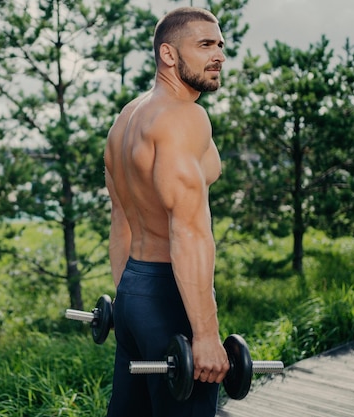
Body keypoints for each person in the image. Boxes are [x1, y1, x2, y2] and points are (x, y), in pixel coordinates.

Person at [104, 7, 229, 417]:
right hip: (169, 293)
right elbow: (189, 230)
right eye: (205, 45)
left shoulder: (126, 120)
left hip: (134, 290)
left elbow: (121, 218)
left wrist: (128, 300)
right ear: (169, 55)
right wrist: (206, 335)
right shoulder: (182, 118)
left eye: (221, 45)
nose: (219, 56)